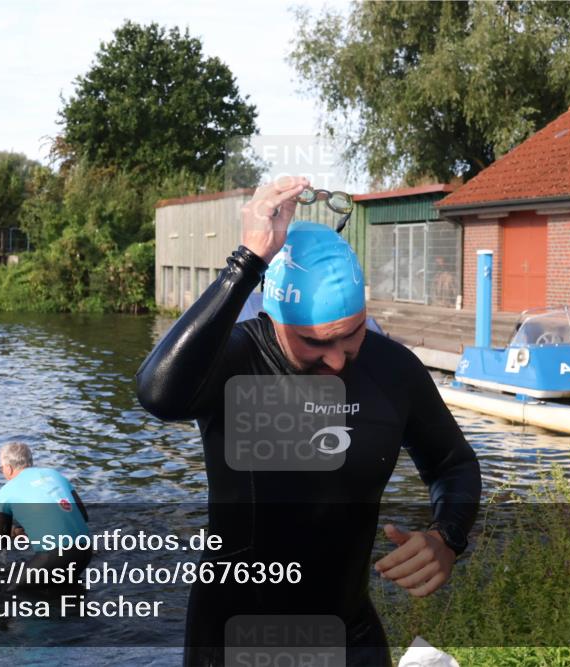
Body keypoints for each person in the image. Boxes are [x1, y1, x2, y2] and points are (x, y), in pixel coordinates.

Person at [135, 176, 481, 666]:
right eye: (315, 344)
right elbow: (157, 394)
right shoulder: (236, 360)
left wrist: (447, 536)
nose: (338, 360)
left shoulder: (391, 368)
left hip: (349, 633)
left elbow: (454, 463)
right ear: (275, 318)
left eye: (352, 334)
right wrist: (247, 260)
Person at [0, 442, 92, 584]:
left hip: (55, 556)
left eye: (1, 469)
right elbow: (83, 516)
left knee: (8, 591)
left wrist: (13, 533)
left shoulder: (5, 492)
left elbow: (1, 542)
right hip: (86, 550)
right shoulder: (55, 474)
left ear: (8, 468)